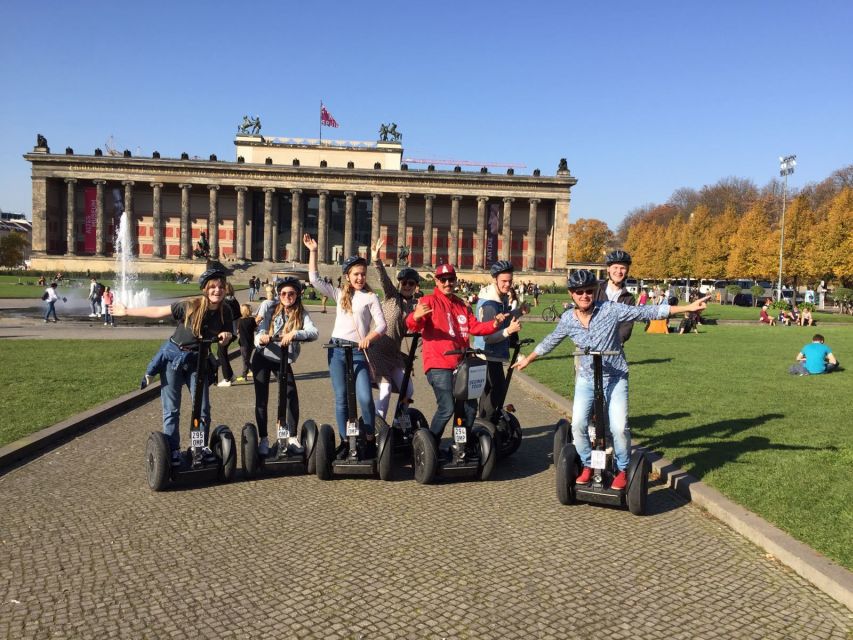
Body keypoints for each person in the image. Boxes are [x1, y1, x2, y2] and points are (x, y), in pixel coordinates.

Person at [512, 270, 710, 490]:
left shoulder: (610, 310)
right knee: (578, 425)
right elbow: (552, 340)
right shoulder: (568, 318)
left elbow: (646, 311)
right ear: (571, 294)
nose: (585, 295)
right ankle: (588, 464)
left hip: (615, 377)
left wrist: (687, 308)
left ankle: (623, 468)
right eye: (579, 292)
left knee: (618, 428)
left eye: (589, 291)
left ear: (595, 292)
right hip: (587, 378)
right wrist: (529, 359)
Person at [111, 269, 234, 463]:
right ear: (205, 289)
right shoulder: (190, 305)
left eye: (220, 287)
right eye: (212, 287)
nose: (217, 290)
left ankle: (198, 447)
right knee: (172, 409)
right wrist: (126, 311)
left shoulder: (225, 311)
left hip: (198, 361)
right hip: (173, 359)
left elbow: (225, 339)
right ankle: (173, 450)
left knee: (202, 408)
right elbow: (158, 311)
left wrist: (225, 338)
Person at [405, 263, 509, 446]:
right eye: (443, 279)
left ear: (455, 281)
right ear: (437, 281)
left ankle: (460, 444)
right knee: (447, 407)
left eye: (450, 279)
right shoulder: (428, 301)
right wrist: (415, 316)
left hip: (461, 365)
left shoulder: (461, 305)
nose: (447, 283)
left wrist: (494, 323)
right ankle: (429, 444)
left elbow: (474, 327)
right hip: (438, 364)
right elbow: (413, 326)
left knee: (469, 408)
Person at [305, 234, 386, 456]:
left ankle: (369, 437)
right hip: (337, 351)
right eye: (355, 274)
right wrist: (313, 251)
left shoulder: (371, 297)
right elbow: (314, 279)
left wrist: (369, 338)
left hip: (359, 351)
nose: (360, 277)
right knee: (341, 398)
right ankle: (344, 440)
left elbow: (382, 325)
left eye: (362, 274)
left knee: (365, 398)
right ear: (347, 276)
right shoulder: (339, 294)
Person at [252, 277, 319, 455]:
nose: (287, 296)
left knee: (290, 396)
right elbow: (258, 332)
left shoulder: (301, 313)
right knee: (262, 398)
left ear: (297, 295)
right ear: (278, 294)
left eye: (291, 293)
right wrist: (263, 338)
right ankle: (264, 439)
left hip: (282, 359)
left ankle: (291, 437)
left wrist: (296, 333)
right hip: (262, 357)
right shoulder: (269, 307)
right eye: (283, 293)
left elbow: (314, 332)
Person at [369, 238, 419, 421]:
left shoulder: (415, 306)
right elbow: (383, 279)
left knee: (409, 388)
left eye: (411, 283)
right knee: (386, 388)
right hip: (377, 350)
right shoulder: (391, 297)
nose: (406, 286)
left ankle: (399, 420)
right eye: (404, 282)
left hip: (394, 354)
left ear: (415, 286)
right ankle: (377, 426)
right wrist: (376, 261)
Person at [474, 261, 524, 422]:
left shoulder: (498, 299)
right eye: (504, 281)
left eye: (510, 281)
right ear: (495, 279)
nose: (508, 284)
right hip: (488, 355)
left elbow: (504, 318)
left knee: (487, 391)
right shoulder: (490, 304)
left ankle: (483, 426)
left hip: (490, 354)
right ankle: (485, 424)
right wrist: (509, 331)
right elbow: (488, 337)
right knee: (498, 389)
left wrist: (519, 311)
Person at [596, 250, 637, 345]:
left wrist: (617, 341)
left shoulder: (628, 298)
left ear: (627, 271)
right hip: (589, 344)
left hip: (614, 346)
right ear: (608, 269)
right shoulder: (595, 289)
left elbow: (627, 325)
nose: (619, 271)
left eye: (622, 268)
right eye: (615, 267)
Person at [216, 282, 241, 386]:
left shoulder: (225, 302)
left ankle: (227, 378)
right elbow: (239, 317)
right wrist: (237, 330)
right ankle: (230, 375)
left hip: (227, 332)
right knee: (221, 352)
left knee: (221, 353)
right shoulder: (234, 300)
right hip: (233, 332)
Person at [236, 303, 256, 382]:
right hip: (250, 342)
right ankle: (246, 373)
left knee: (245, 360)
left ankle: (247, 373)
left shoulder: (240, 320)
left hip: (243, 343)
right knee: (246, 359)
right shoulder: (252, 320)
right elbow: (255, 328)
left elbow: (238, 331)